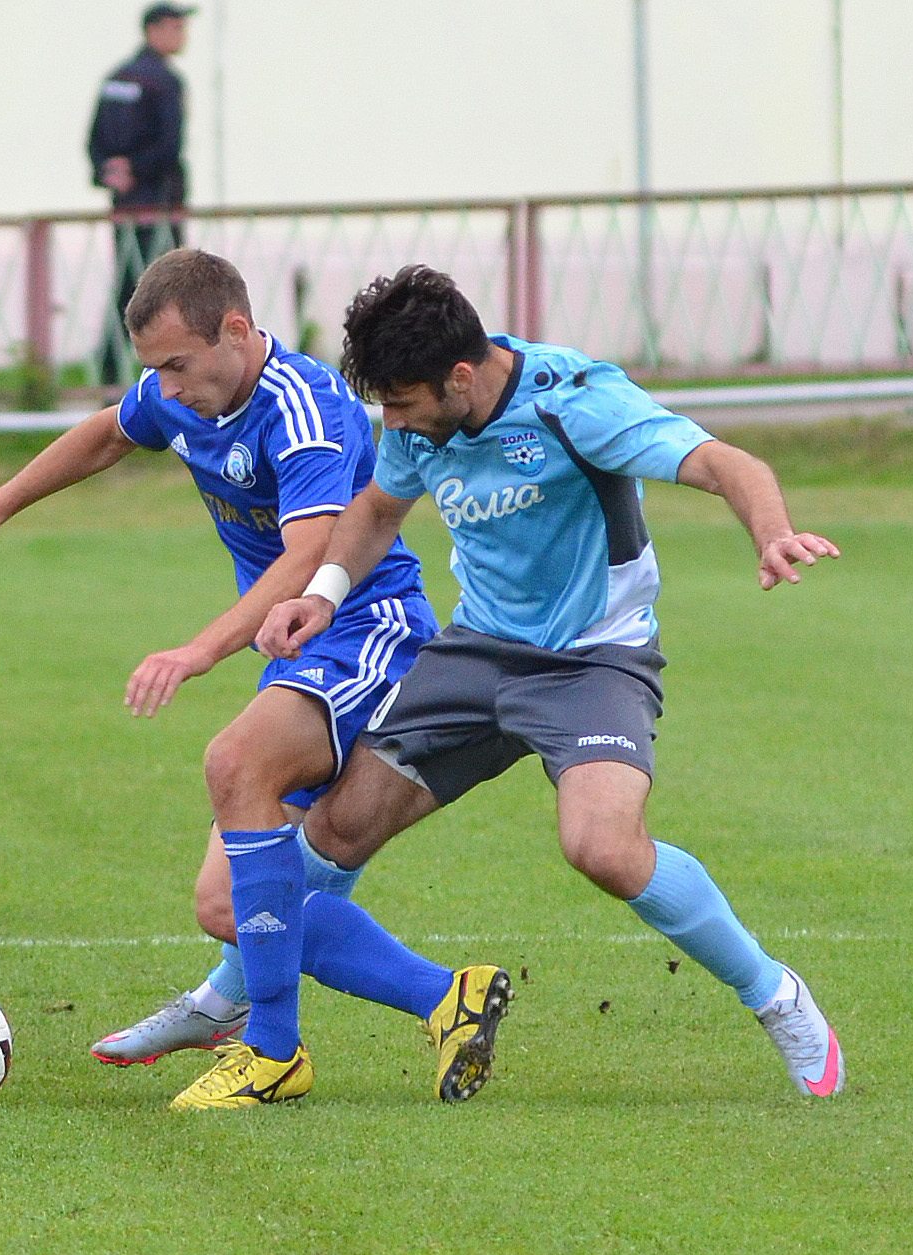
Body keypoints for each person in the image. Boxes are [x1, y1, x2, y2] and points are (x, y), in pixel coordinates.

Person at [0, 248, 513, 1112]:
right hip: (297, 650)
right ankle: (439, 999)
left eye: (175, 366)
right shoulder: (186, 395)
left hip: (363, 634)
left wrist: (197, 651)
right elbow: (103, 433)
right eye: (152, 369)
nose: (163, 389)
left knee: (234, 764)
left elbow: (309, 558)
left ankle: (270, 1051)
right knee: (224, 901)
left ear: (235, 332)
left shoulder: (304, 409)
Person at [251, 264, 847, 1101]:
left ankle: (774, 995)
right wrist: (320, 595)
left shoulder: (575, 403)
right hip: (475, 652)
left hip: (590, 660)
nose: (393, 425)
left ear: (460, 377)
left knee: (600, 847)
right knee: (333, 831)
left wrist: (772, 533)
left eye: (403, 405)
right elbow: (380, 509)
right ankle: (239, 1005)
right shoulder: (420, 422)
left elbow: (724, 463)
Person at [87, 3, 192, 391]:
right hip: (159, 203)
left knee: (128, 285)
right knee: (170, 288)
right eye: (176, 28)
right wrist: (137, 169)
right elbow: (170, 145)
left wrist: (110, 171)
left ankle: (109, 370)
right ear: (155, 31)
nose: (182, 37)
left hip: (124, 205)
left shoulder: (117, 77)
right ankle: (172, 373)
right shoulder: (164, 82)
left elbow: (94, 139)